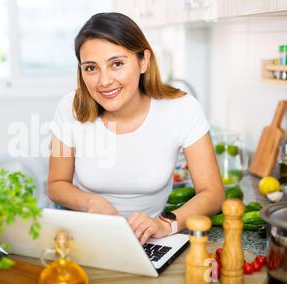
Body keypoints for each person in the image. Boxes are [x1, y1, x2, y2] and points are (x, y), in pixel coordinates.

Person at [47, 12, 224, 245]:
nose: (104, 81)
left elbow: (213, 193)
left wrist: (165, 223)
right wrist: (90, 202)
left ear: (143, 61)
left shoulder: (182, 109)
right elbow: (56, 184)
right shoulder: (69, 108)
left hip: (152, 238)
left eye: (117, 64)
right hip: (86, 235)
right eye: (91, 68)